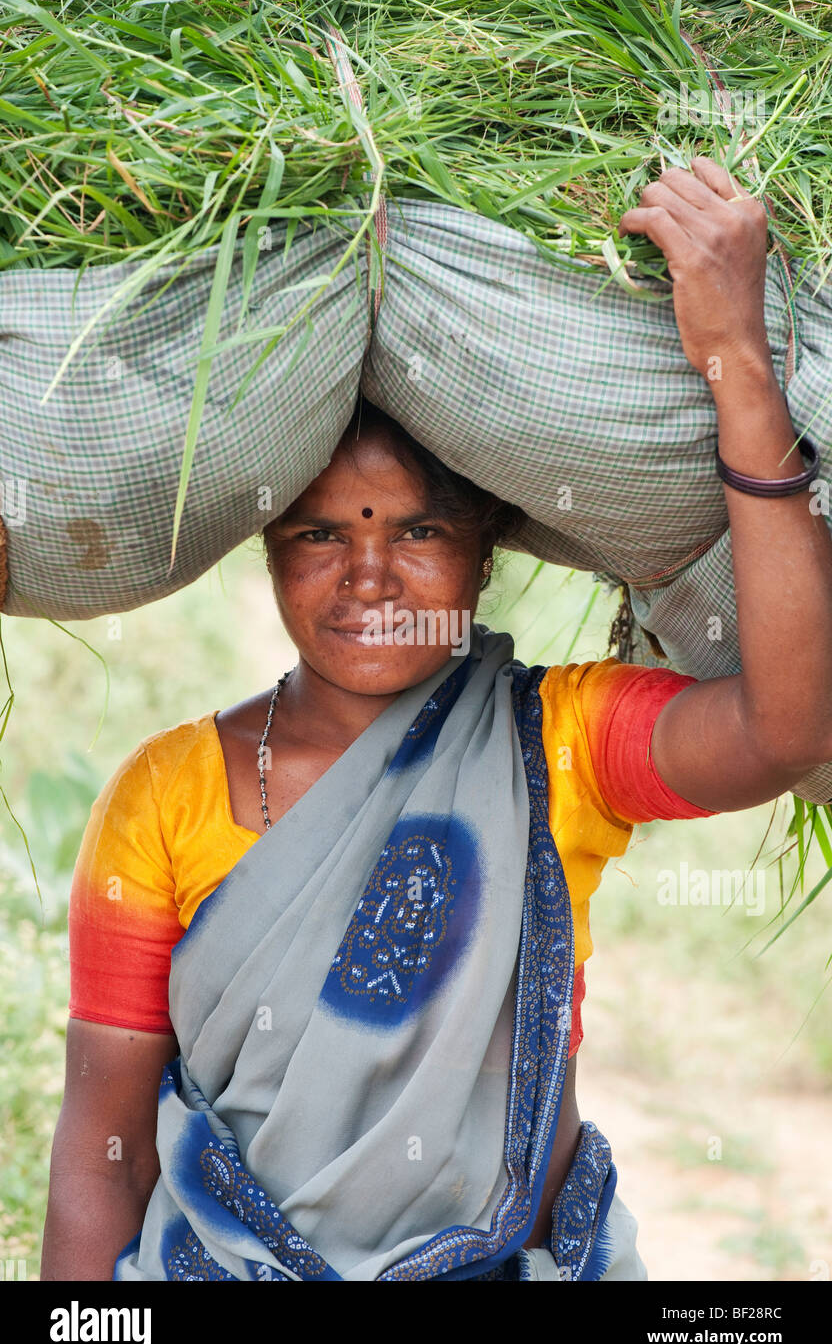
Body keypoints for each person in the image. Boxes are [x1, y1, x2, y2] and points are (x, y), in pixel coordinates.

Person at [41, 157, 832, 1281]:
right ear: (266, 548)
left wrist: (737, 365)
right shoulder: (166, 794)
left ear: (487, 547)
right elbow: (100, 1145)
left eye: (415, 533)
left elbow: (790, 729)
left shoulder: (559, 744)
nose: (367, 578)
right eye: (320, 535)